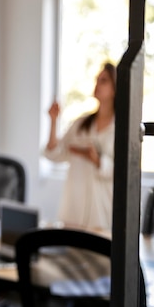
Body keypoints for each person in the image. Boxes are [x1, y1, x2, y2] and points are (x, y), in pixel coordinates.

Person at [43, 62, 116, 231]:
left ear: (115, 88)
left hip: (101, 212)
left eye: (103, 81)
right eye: (97, 80)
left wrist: (97, 160)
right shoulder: (81, 124)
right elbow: (54, 154)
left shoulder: (121, 128)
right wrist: (53, 121)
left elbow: (123, 171)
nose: (97, 85)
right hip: (74, 211)